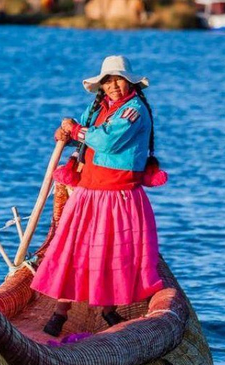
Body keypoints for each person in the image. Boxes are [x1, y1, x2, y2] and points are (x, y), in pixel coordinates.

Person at [31, 55, 168, 337]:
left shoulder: (134, 111)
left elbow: (106, 140)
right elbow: (84, 130)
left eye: (119, 79)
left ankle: (107, 309)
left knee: (112, 253)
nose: (114, 85)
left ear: (130, 82)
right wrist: (66, 133)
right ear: (102, 86)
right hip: (88, 193)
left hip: (118, 196)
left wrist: (77, 131)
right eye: (108, 81)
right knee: (73, 250)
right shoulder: (98, 107)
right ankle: (61, 311)